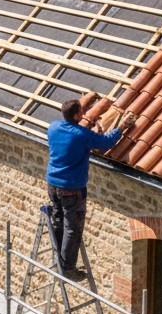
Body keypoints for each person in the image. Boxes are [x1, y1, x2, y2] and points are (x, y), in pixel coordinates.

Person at [46, 98, 136, 280]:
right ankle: (67, 269)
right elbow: (105, 143)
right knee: (72, 228)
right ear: (77, 115)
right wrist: (122, 127)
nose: (85, 113)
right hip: (70, 188)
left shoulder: (53, 127)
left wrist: (93, 129)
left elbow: (76, 140)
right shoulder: (81, 135)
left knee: (57, 219)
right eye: (82, 111)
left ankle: (57, 258)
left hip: (52, 184)